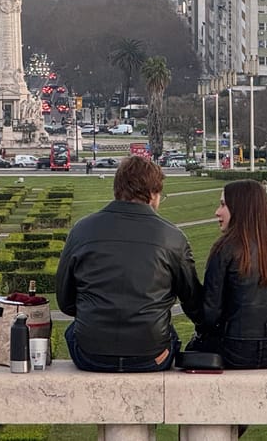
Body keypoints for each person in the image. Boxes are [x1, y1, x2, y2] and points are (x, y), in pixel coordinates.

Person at [56, 156, 201, 372]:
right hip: (152, 356)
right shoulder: (173, 237)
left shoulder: (81, 229)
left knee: (74, 330)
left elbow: (65, 301)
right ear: (153, 194)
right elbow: (193, 302)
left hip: (90, 354)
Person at [187, 178, 267, 370]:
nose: (217, 212)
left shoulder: (225, 249)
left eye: (223, 205)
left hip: (233, 351)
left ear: (240, 209)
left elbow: (210, 314)